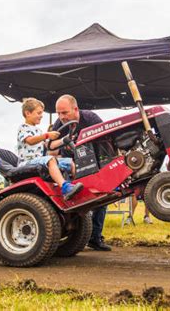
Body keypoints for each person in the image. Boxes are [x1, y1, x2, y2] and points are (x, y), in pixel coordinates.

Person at [50, 94, 110, 251]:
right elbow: (51, 148)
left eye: (65, 113)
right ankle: (72, 237)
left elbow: (106, 139)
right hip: (72, 166)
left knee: (101, 200)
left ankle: (95, 237)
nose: (61, 117)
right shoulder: (58, 124)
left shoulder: (90, 118)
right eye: (58, 113)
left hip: (95, 163)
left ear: (75, 109)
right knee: (74, 200)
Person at [17, 97, 83, 200]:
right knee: (50, 159)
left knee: (70, 163)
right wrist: (47, 135)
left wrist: (64, 140)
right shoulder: (23, 128)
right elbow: (30, 140)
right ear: (28, 113)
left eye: (41, 113)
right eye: (38, 113)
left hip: (38, 161)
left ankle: (77, 187)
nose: (41, 116)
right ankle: (65, 188)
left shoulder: (37, 130)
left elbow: (47, 145)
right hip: (27, 162)